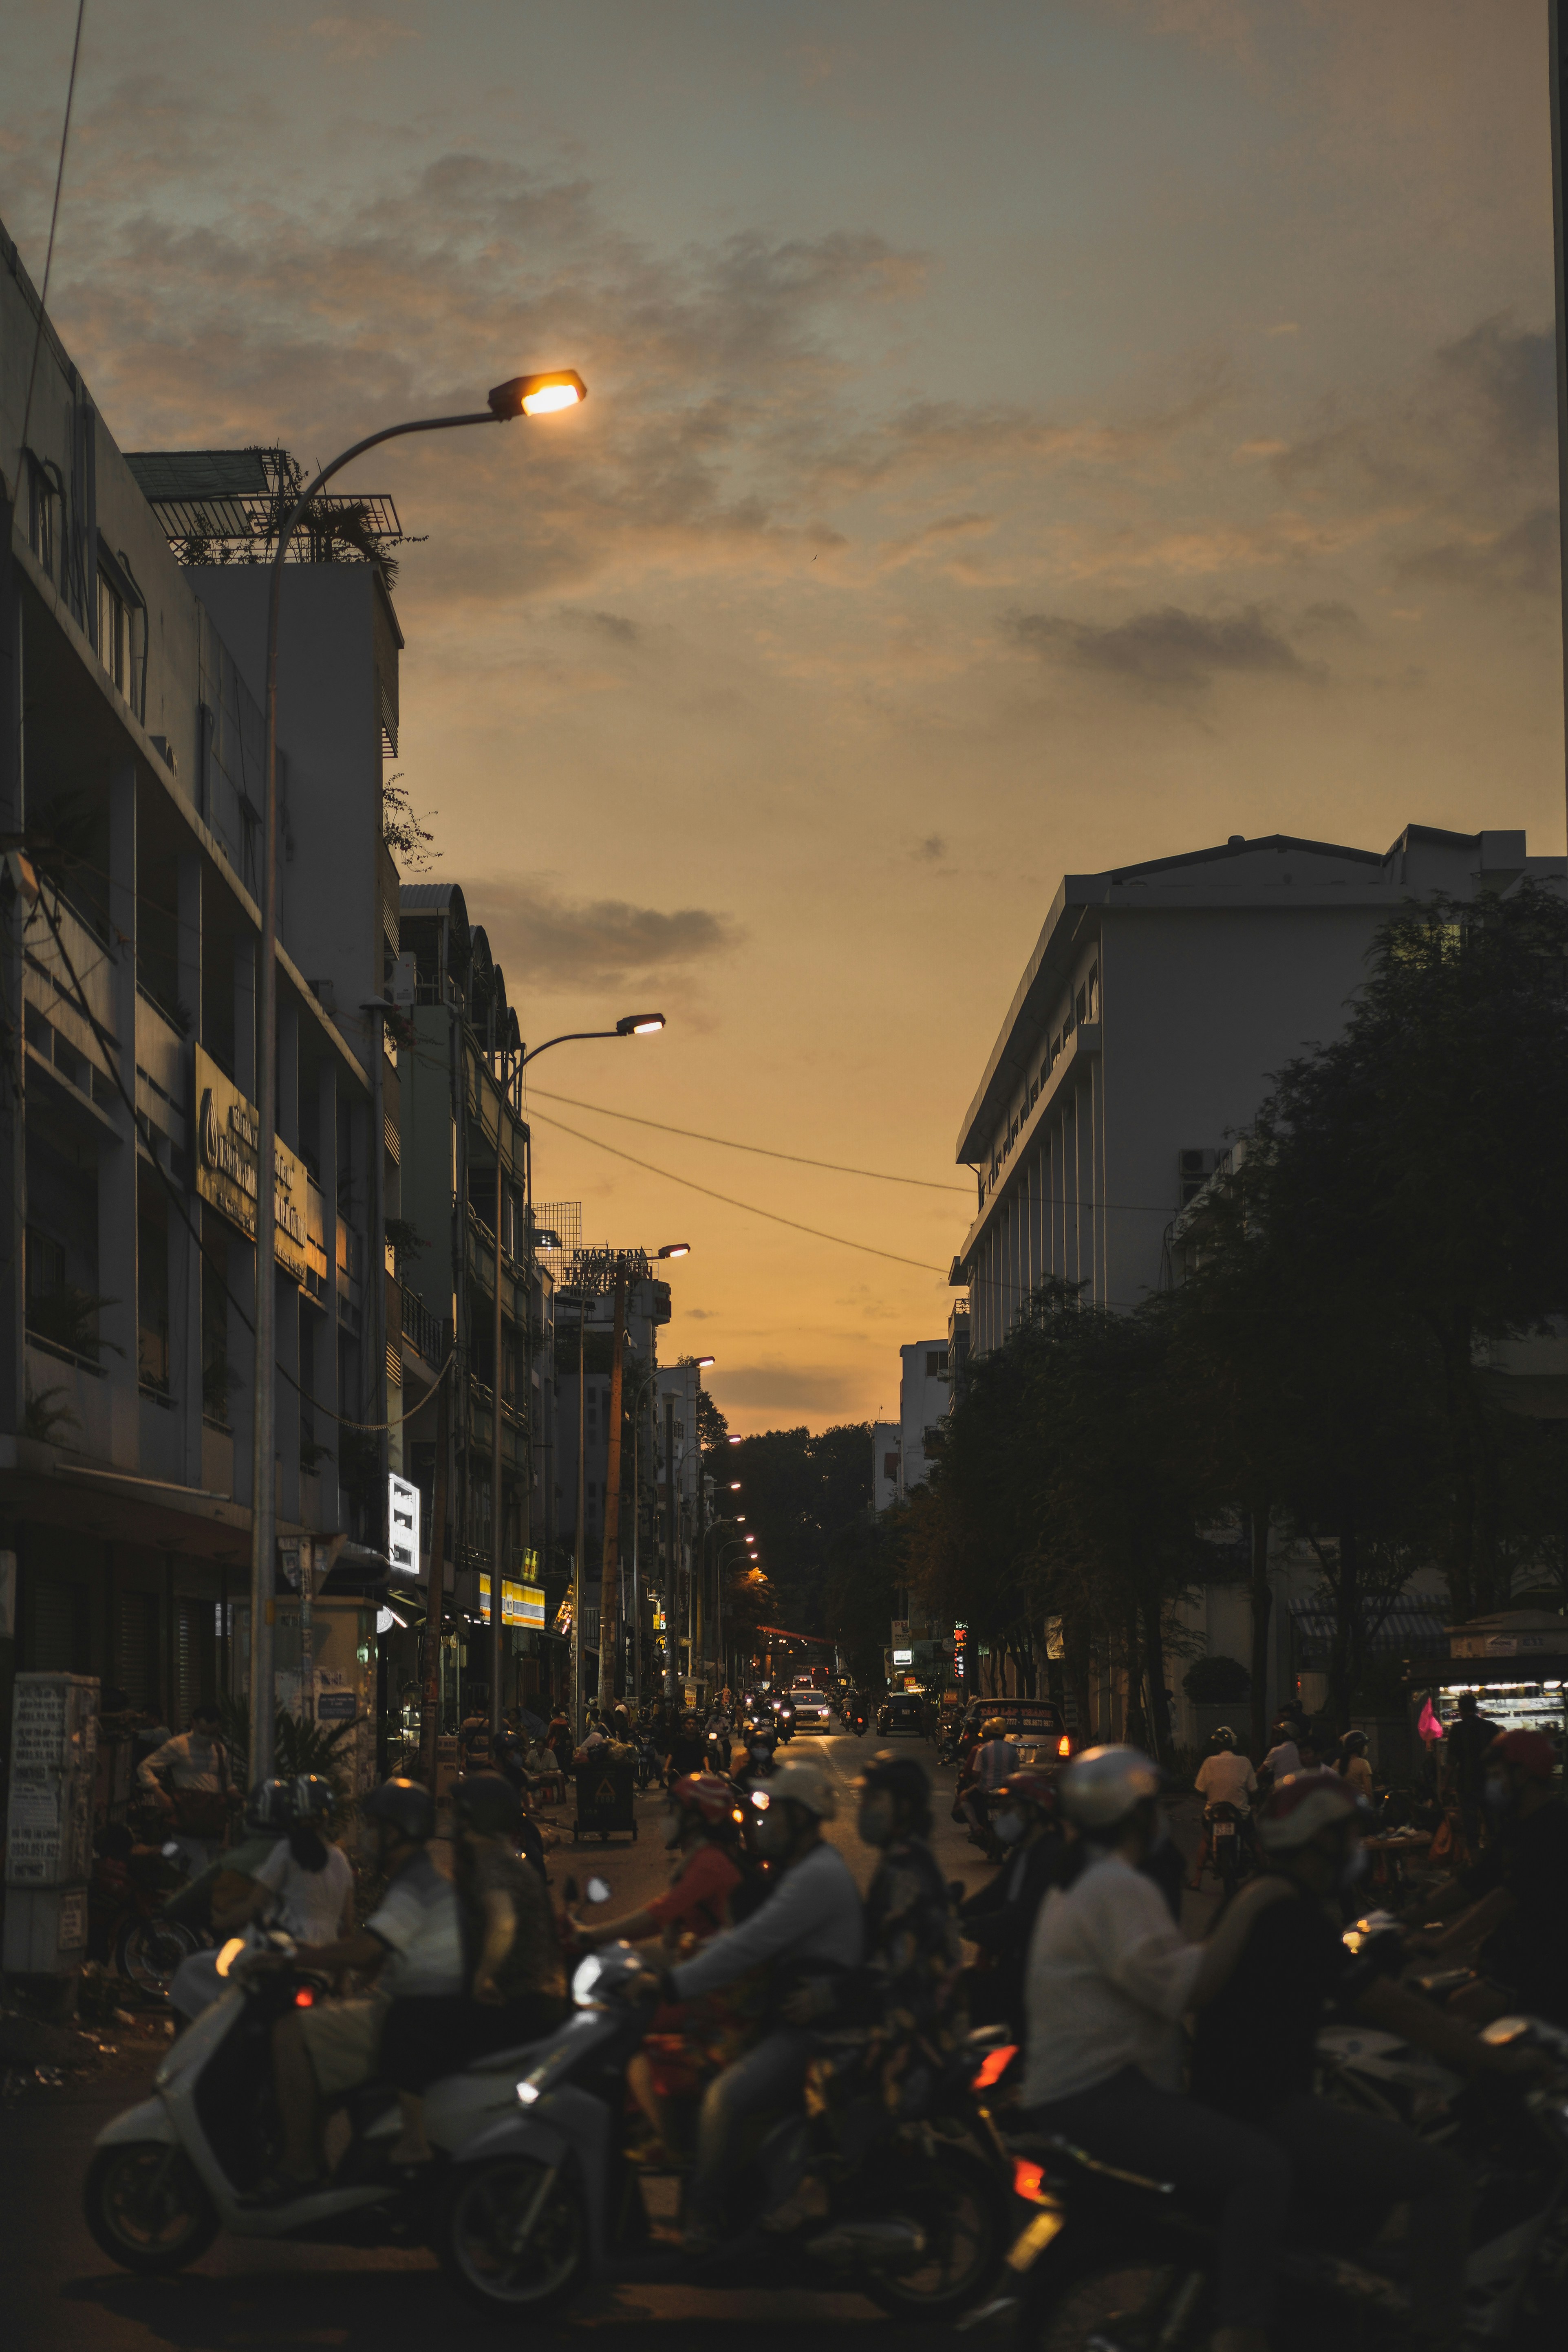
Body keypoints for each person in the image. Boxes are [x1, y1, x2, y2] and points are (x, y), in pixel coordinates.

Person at [1191, 1769, 1534, 2352]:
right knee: (1442, 2176)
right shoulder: (1291, 1914)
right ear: (1317, 1838)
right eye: (1346, 1834)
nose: (1354, 1848)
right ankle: (1437, 2331)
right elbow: (1385, 2003)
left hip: (1236, 2093)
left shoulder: (1256, 1896)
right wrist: (1489, 2055)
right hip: (1265, 2104)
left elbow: (1336, 1993)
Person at [1020, 1746, 1308, 2352]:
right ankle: (1241, 2327)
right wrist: (1255, 1898)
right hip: (1102, 2092)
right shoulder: (1115, 1887)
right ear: (1133, 1814)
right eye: (1152, 1806)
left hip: (1083, 2085)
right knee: (1261, 2166)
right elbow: (1189, 1985)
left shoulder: (1081, 1880)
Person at [660, 1756, 863, 2255]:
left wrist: (671, 1983)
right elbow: (740, 1937)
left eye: (775, 1812)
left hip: (816, 2029)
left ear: (799, 1818)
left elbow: (748, 1944)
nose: (762, 1821)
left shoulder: (814, 1875)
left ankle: (703, 2221)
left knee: (723, 2098)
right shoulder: (799, 1870)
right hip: (789, 2013)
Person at [245, 1778, 465, 2200]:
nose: (365, 1836)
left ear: (397, 1831)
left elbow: (366, 1946)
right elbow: (372, 1950)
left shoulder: (415, 1883)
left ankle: (300, 2165)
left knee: (290, 2031)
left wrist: (292, 1959)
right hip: (414, 2006)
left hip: (410, 2014)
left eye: (374, 1826)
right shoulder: (420, 1879)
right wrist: (313, 1950)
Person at [379, 1774, 568, 2160]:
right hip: (537, 1999)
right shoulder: (508, 1861)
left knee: (407, 2019)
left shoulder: (493, 1865)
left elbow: (503, 1922)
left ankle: (414, 2140)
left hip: (518, 2003)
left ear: (474, 1819)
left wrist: (484, 1975)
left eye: (461, 1814)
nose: (455, 1823)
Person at [1409, 1728, 1568, 2023]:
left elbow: (1505, 1897)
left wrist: (1440, 1943)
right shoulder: (1516, 1827)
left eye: (1497, 1774)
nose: (1491, 1784)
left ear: (1521, 1775)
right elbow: (1473, 1882)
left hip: (1549, 1966)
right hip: (1517, 1956)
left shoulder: (1553, 1826)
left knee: (1461, 2007)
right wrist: (1405, 1918)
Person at [171, 1775, 352, 2024]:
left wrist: (221, 1920)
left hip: (281, 1953)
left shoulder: (285, 1852)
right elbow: (347, 1927)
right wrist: (342, 1976)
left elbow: (252, 1907)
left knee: (192, 1971)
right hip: (325, 1960)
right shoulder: (341, 1860)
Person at [578, 1773, 744, 1953]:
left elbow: (658, 1915)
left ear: (694, 1819)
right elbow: (664, 1918)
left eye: (675, 1812)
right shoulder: (702, 1857)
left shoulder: (709, 1864)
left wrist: (591, 1935)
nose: (669, 1819)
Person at [959, 1767, 1064, 2032]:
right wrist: (952, 1913)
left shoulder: (1051, 1855)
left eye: (1011, 1808)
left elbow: (1022, 1915)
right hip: (1017, 1961)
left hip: (1039, 1972)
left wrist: (973, 1926)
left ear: (1033, 1811)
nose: (1003, 1815)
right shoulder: (1024, 1852)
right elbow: (994, 1894)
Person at [137, 1699, 242, 1870]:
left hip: (211, 1825)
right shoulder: (179, 1745)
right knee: (198, 1872)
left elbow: (228, 1785)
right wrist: (160, 1794)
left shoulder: (220, 1750)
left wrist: (239, 1798)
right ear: (193, 1723)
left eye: (212, 1733)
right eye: (203, 1732)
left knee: (210, 1872)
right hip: (186, 1822)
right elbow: (144, 1767)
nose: (207, 1737)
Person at [1188, 1728, 1259, 1893]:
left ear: (1217, 1746)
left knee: (1206, 1841)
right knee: (1254, 1842)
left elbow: (1199, 1790)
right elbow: (1254, 1790)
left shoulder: (1208, 1762)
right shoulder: (1245, 1762)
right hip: (1240, 1813)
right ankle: (1268, 1878)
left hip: (1214, 1813)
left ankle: (1197, 1880)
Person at [1441, 1689, 1504, 1854]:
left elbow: (1452, 1761)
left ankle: (1475, 1862)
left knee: (1470, 1827)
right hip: (1488, 1784)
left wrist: (1445, 1784)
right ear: (1476, 1709)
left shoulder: (1458, 1729)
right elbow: (1499, 1757)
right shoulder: (1490, 1727)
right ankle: (1498, 1861)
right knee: (1493, 1824)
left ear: (1460, 1710)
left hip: (1467, 1784)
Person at [1336, 1728, 1374, 1800]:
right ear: (1360, 1748)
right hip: (1358, 1806)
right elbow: (1368, 1793)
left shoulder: (1337, 1762)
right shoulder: (1363, 1764)